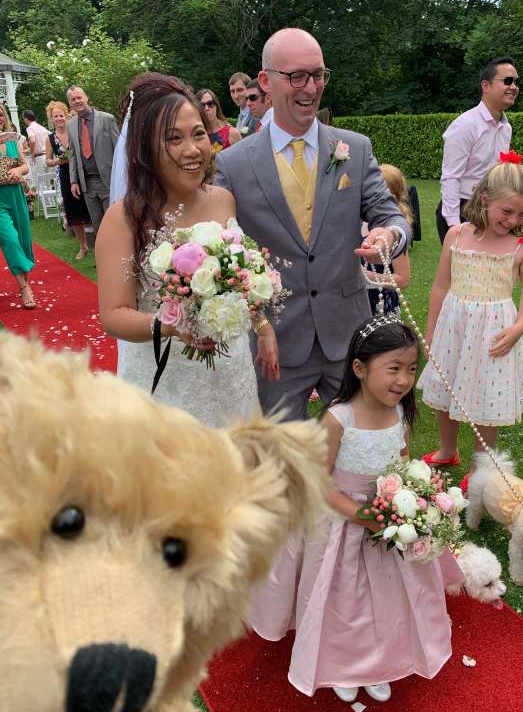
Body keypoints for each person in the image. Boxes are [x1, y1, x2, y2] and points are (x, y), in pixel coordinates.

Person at [215, 28, 411, 422]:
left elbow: (389, 214)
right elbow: (223, 254)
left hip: (349, 334)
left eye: (319, 75)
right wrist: (258, 321)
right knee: (289, 462)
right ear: (267, 81)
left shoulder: (353, 149)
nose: (312, 87)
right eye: (297, 76)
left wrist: (389, 235)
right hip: (276, 344)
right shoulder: (232, 164)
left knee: (361, 447)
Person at [286, 317, 464, 702]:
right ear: (360, 369)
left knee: (387, 597)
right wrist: (360, 515)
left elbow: (401, 459)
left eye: (412, 370)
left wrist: (412, 498)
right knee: (343, 596)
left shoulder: (398, 413)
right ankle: (344, 662)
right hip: (343, 522)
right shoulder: (339, 419)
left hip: (390, 523)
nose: (403, 381)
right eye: (394, 369)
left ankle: (380, 661)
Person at [96, 72, 261, 424]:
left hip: (232, 374)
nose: (192, 149)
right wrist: (172, 325)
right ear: (146, 148)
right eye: (173, 138)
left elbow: (242, 279)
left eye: (198, 133)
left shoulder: (224, 200)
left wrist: (263, 326)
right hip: (165, 386)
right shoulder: (123, 219)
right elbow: (113, 314)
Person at [418, 157, 523, 469]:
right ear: (485, 199)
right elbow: (440, 286)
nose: (514, 220)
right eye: (507, 211)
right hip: (454, 324)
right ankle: (448, 450)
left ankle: (481, 465)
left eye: (522, 213)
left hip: (494, 330)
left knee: (487, 393)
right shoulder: (457, 235)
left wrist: (518, 328)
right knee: (446, 387)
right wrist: (431, 332)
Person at [436, 57, 519, 245]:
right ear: (486, 85)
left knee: (489, 272)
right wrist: (454, 226)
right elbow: (450, 177)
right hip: (462, 210)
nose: (513, 87)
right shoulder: (465, 125)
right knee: (462, 274)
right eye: (507, 81)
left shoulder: (506, 128)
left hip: (491, 211)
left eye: (516, 82)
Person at [0, 101, 36, 308]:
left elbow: (25, 165)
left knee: (23, 241)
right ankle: (24, 288)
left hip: (15, 196)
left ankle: (24, 279)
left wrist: (18, 171)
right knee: (11, 240)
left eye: (0, 115)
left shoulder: (13, 139)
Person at [67, 85, 119, 233]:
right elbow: (72, 155)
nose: (77, 101)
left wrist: (122, 178)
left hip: (108, 181)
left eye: (79, 97)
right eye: (73, 99)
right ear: (70, 103)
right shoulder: (70, 125)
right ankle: (104, 255)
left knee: (114, 224)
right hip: (87, 184)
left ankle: (119, 255)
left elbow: (119, 151)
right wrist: (74, 181)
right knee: (98, 226)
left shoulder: (107, 119)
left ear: (86, 97)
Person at [45, 100, 92, 259]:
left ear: (66, 116)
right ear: (51, 118)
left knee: (90, 207)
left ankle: (99, 242)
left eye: (61, 115)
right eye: (55, 116)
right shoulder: (50, 138)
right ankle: (83, 246)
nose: (59, 118)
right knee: (74, 212)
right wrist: (56, 161)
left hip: (82, 172)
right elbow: (48, 160)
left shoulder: (76, 130)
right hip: (65, 175)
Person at [364, 164, 412, 317]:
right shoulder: (359, 221)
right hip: (354, 301)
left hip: (380, 304)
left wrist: (365, 276)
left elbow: (403, 279)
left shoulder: (392, 232)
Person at [23, 109, 50, 190]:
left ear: (26, 118)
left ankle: (46, 203)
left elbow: (32, 140)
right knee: (48, 181)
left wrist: (32, 153)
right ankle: (52, 202)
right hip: (47, 156)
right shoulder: (42, 127)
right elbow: (51, 136)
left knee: (40, 182)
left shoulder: (30, 128)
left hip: (39, 157)